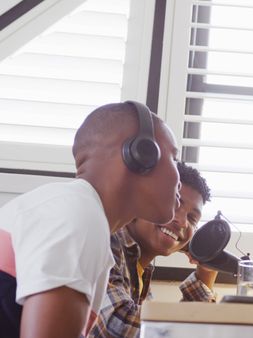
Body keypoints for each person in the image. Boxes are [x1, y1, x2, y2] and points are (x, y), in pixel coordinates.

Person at [0, 101, 180, 338]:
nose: (179, 177)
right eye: (174, 158)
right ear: (141, 154)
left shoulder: (77, 211)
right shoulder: (79, 215)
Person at [89, 162, 217, 338]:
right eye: (175, 203)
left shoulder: (139, 269)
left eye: (192, 218)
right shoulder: (107, 240)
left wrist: (206, 269)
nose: (181, 221)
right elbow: (118, 326)